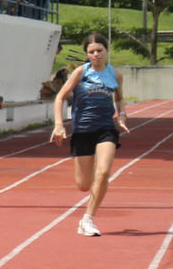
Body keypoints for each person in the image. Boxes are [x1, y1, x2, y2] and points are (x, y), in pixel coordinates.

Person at [51, 32, 129, 237]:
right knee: (84, 185)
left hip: (106, 128)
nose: (96, 55)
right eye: (91, 52)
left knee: (103, 173)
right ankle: (93, 189)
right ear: (87, 53)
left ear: (106, 51)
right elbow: (60, 97)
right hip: (83, 129)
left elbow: (120, 99)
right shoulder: (80, 72)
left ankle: (88, 219)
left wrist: (121, 117)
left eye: (99, 51)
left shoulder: (115, 74)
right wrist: (59, 125)